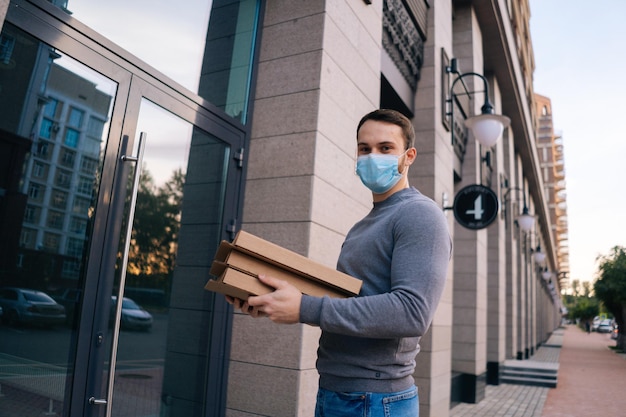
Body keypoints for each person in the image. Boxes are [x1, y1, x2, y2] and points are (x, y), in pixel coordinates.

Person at [227, 109, 452, 416]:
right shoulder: (364, 224)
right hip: (339, 391)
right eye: (364, 149)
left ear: (408, 156)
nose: (373, 156)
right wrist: (270, 300)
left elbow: (412, 312)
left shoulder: (420, 215)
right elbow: (351, 301)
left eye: (385, 148)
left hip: (374, 400)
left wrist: (303, 308)